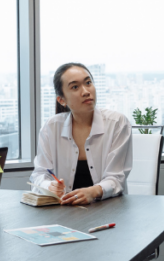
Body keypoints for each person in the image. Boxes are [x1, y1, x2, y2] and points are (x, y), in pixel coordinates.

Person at [30, 63, 132, 205]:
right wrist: (49, 186)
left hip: (109, 208)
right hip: (64, 209)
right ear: (62, 100)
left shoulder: (117, 123)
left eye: (88, 83)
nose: (85, 91)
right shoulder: (51, 128)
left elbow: (116, 178)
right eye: (75, 87)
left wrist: (93, 192)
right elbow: (40, 173)